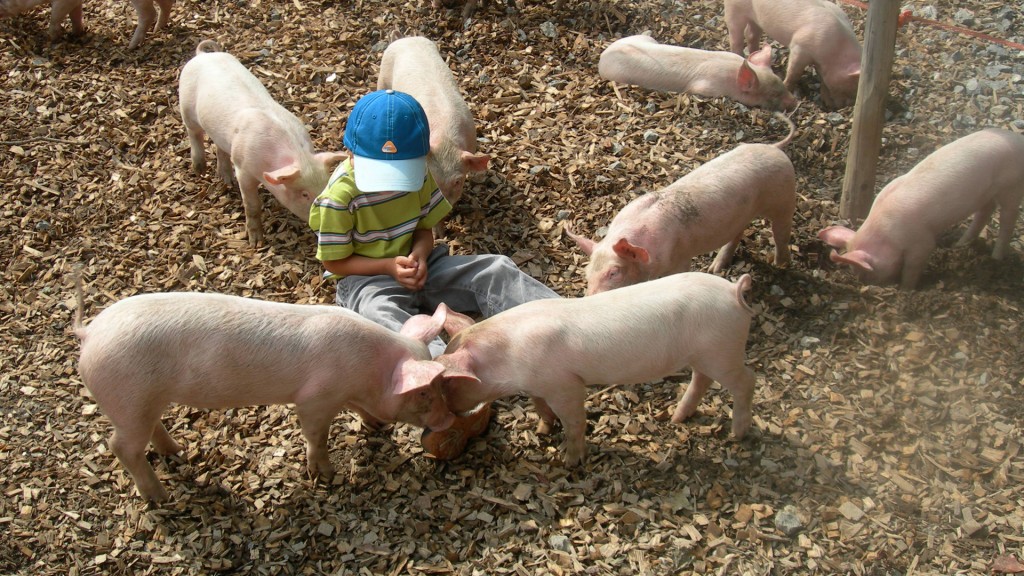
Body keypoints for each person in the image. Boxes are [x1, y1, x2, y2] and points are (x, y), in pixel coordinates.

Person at [309, 89, 560, 358]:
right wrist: (388, 267)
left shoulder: (420, 177)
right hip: (367, 279)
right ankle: (438, 369)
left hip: (421, 268)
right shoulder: (338, 198)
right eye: (381, 171)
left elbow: (423, 229)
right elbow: (334, 263)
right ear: (350, 153)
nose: (391, 183)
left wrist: (420, 254)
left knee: (494, 268)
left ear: (425, 156)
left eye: (401, 172)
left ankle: (563, 324)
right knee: (378, 312)